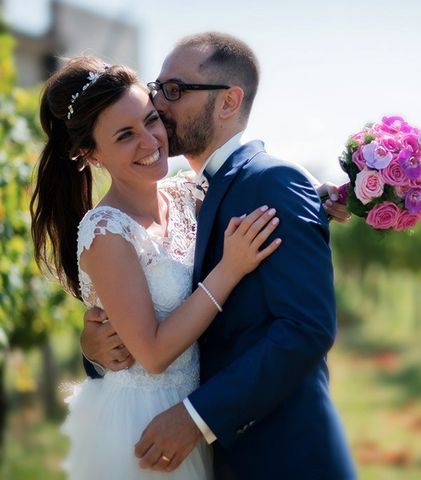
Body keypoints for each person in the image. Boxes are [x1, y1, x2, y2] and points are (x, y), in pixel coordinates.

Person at [82, 32, 356, 479]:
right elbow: (159, 307)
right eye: (157, 89)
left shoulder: (271, 183)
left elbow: (306, 329)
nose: (158, 105)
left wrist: (196, 417)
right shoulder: (187, 195)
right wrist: (96, 350)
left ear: (229, 102)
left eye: (174, 90)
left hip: (283, 456)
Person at [30, 56, 284, 479]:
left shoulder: (186, 194)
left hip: (202, 409)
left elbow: (259, 207)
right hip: (144, 425)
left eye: (151, 120)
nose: (150, 141)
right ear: (91, 154)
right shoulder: (106, 230)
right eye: (126, 135)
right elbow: (151, 353)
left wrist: (324, 198)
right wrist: (229, 269)